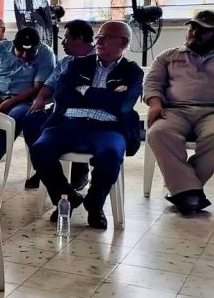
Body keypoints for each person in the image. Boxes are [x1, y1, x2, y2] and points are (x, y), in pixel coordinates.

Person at [31, 21, 143, 230]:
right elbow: (62, 95)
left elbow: (125, 105)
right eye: (98, 36)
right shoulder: (78, 64)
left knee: (111, 154)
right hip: (69, 122)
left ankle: (94, 205)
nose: (98, 40)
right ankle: (67, 198)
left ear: (123, 42)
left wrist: (84, 90)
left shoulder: (132, 71)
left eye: (106, 37)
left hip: (108, 127)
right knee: (40, 148)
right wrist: (109, 96)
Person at [144, 9, 214, 215]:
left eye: (203, 30)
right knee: (158, 133)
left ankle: (184, 191)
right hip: (175, 111)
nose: (195, 33)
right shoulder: (168, 56)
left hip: (211, 112)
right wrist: (155, 104)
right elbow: (152, 82)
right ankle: (190, 193)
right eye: (192, 27)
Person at [23, 19, 95, 190]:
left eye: (66, 38)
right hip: (60, 111)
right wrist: (40, 99)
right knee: (31, 119)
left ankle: (79, 171)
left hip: (86, 114)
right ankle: (44, 169)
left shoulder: (99, 60)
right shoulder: (65, 61)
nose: (63, 43)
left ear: (79, 39)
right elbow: (49, 83)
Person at [0, 26, 56, 167]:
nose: (25, 55)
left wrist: (11, 102)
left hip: (24, 100)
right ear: (14, 45)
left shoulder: (46, 54)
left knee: (12, 120)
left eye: (30, 52)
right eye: (21, 51)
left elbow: (37, 87)